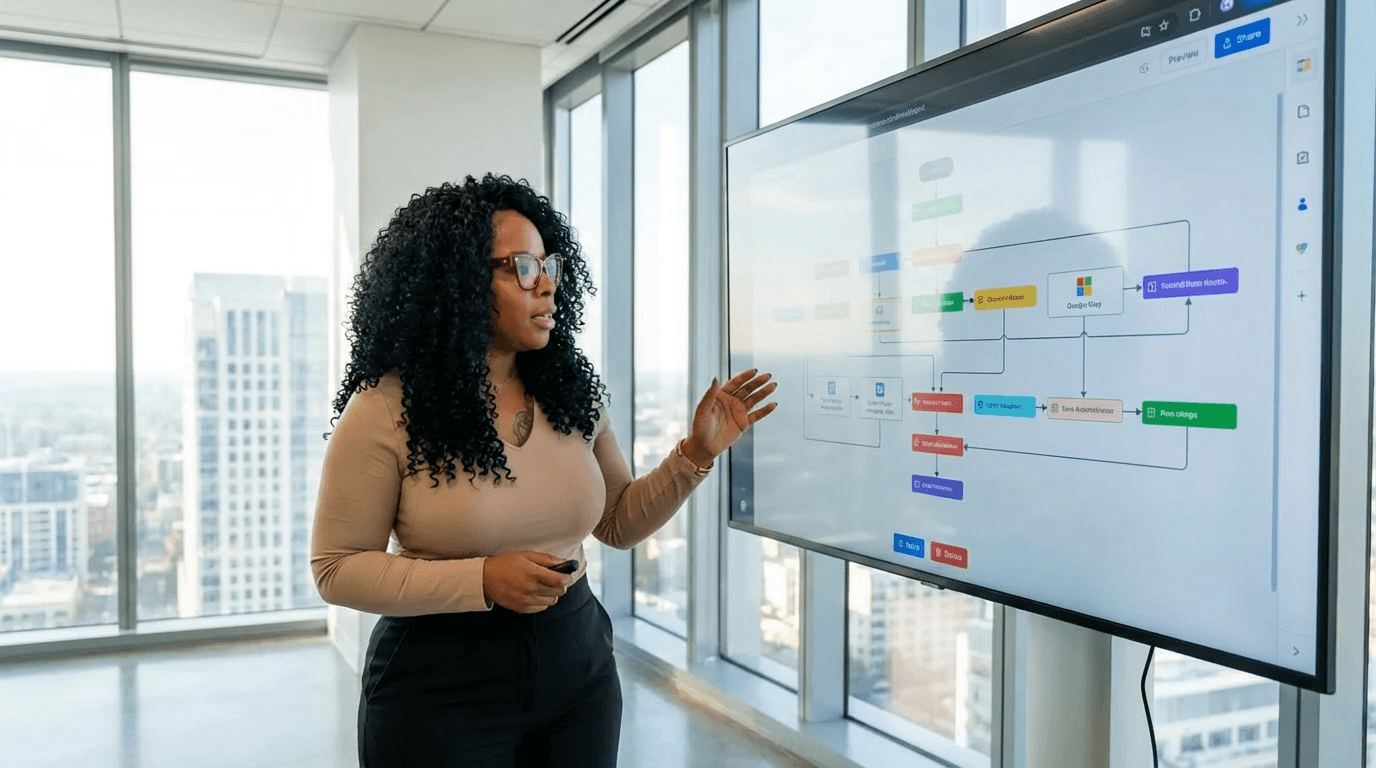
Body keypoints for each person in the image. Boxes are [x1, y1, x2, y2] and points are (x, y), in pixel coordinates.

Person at [310, 173, 777, 767]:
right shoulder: (385, 406)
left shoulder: (571, 393)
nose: (549, 286)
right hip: (438, 685)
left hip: (577, 671)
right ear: (459, 281)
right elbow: (337, 568)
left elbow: (616, 521)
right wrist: (480, 580)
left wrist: (697, 453)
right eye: (524, 267)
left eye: (551, 265)